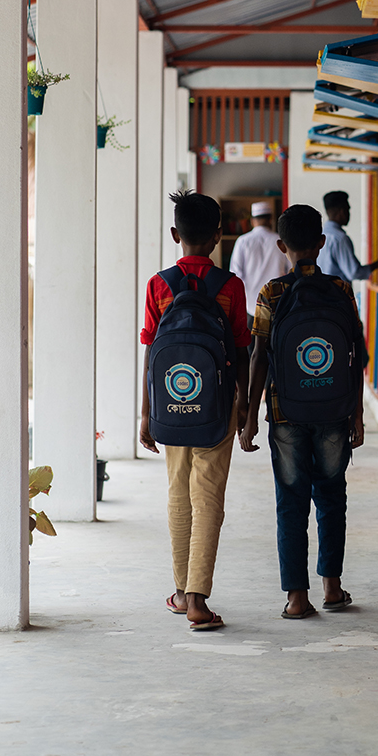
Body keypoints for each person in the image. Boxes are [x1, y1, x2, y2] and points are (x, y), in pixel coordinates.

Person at [240, 204, 367, 619]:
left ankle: (297, 598)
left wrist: (250, 416)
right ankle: (332, 587)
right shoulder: (341, 290)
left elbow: (259, 355)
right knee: (332, 495)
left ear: (281, 246)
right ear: (321, 243)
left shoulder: (271, 293)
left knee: (290, 502)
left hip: (285, 412)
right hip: (334, 408)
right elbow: (355, 355)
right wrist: (357, 412)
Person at [139, 191, 250, 631]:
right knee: (208, 499)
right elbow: (242, 349)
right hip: (217, 408)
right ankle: (199, 599)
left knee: (177, 494)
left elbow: (152, 354)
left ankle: (183, 592)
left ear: (174, 235)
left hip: (171, 402)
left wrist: (147, 413)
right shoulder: (230, 286)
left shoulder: (159, 284)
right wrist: (242, 406)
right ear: (219, 235)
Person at [229, 200, 290, 328]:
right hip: (276, 304)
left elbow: (235, 275)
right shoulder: (280, 241)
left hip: (250, 306)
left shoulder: (243, 241)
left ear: (252, 221)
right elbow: (290, 270)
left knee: (251, 346)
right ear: (271, 219)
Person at [318, 190, 378, 283]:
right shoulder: (339, 239)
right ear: (342, 211)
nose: (349, 213)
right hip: (336, 295)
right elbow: (354, 272)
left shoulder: (320, 235)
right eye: (348, 209)